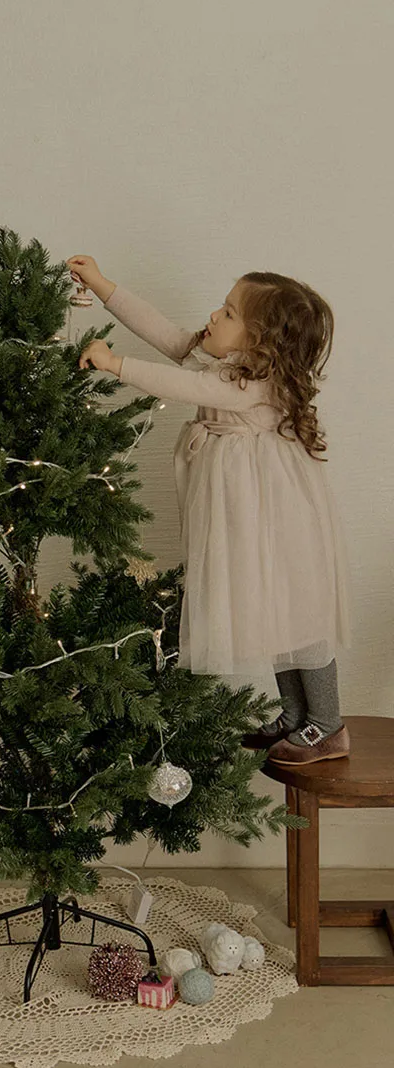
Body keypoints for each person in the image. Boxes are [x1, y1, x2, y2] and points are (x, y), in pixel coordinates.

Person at [66, 255, 350, 766]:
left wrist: (115, 364)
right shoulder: (229, 362)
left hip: (271, 510)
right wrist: (103, 285)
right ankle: (295, 714)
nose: (215, 316)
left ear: (259, 341)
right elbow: (168, 335)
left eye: (229, 313)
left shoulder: (254, 381)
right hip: (244, 506)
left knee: (298, 612)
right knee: (272, 609)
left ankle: (328, 725)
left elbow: (188, 387)